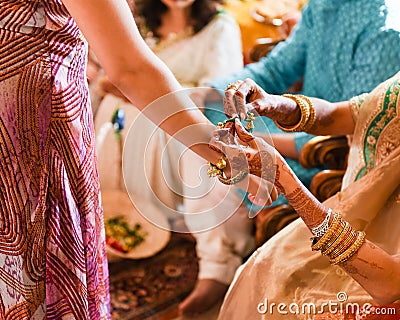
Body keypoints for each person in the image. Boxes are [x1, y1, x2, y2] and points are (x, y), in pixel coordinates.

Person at [0, 0, 264, 318]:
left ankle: (213, 263)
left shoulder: (219, 29)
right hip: (28, 126)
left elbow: (146, 75)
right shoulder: (145, 20)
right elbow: (130, 69)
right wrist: (230, 159)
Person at [183, 0, 400, 315]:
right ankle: (218, 259)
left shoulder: (386, 31)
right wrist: (265, 102)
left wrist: (279, 171)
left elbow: (389, 285)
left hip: (335, 166)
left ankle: (223, 257)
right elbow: (350, 112)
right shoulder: (326, 6)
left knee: (269, 279)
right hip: (341, 168)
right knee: (205, 125)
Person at [209, 74, 400, 319]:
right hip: (362, 218)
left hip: (383, 284)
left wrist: (285, 180)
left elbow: (390, 285)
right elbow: (341, 115)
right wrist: (278, 105)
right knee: (264, 268)